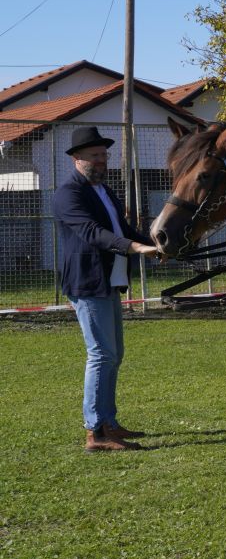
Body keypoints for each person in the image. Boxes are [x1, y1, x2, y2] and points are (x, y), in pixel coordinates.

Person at [53, 126, 161, 451]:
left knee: (114, 355)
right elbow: (92, 232)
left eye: (104, 155)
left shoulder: (104, 190)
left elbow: (123, 229)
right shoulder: (68, 194)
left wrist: (157, 245)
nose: (102, 160)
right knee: (101, 354)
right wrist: (135, 248)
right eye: (95, 155)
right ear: (76, 158)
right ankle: (96, 432)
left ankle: (109, 423)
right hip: (88, 282)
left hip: (110, 280)